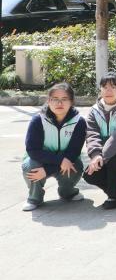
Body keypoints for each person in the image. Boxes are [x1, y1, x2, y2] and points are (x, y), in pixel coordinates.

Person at [22, 83, 86, 211]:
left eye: (64, 99)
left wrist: (47, 170)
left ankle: (67, 192)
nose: (59, 103)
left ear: (71, 101)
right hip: (41, 159)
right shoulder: (38, 120)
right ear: (49, 101)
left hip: (67, 161)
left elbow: (74, 152)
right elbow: (33, 150)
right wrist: (59, 161)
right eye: (55, 99)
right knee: (31, 166)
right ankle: (35, 197)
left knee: (75, 165)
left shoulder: (79, 122)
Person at [83, 74, 116, 209]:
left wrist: (102, 158)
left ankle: (114, 196)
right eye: (105, 87)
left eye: (113, 87)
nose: (108, 91)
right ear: (100, 89)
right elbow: (92, 134)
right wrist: (95, 155)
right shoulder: (94, 110)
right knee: (89, 175)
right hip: (102, 153)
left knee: (114, 158)